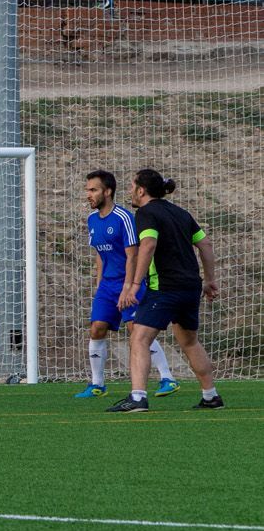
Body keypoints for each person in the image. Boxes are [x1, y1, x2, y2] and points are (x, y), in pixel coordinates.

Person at [107, 169, 222, 413]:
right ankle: (211, 395)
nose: (130, 191)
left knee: (139, 338)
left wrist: (134, 285)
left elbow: (148, 244)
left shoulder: (146, 213)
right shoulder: (181, 213)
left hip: (164, 288)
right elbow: (205, 243)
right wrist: (210, 280)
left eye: (132, 187)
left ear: (141, 190)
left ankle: (138, 397)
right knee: (189, 341)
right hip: (191, 287)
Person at [74, 170, 177, 398]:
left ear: (107, 191)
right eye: (87, 190)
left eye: (93, 190)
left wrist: (128, 287)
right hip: (107, 285)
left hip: (129, 283)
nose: (88, 194)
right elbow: (100, 254)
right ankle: (97, 385)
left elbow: (133, 255)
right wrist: (100, 284)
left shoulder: (124, 217)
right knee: (97, 328)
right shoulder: (92, 220)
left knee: (136, 331)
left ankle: (167, 378)